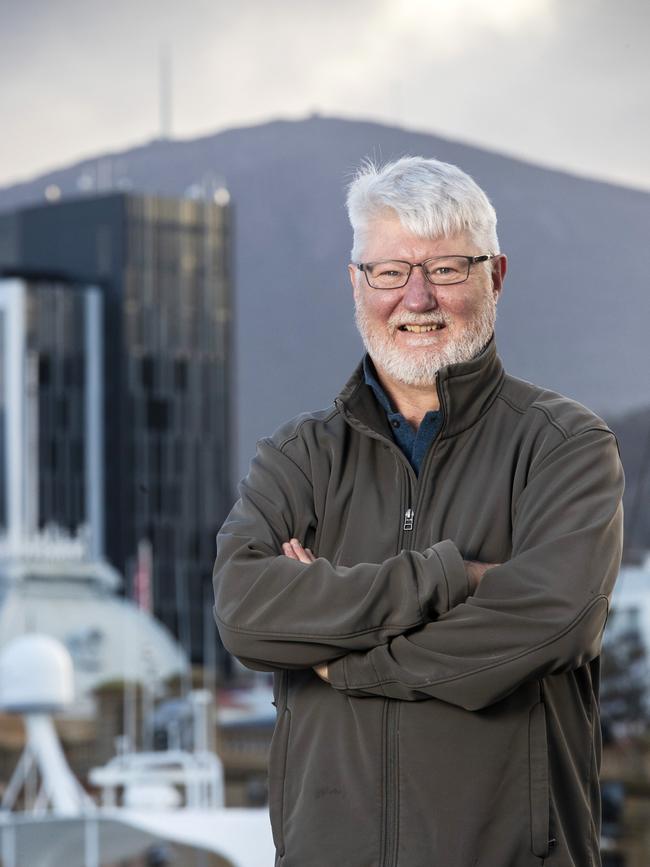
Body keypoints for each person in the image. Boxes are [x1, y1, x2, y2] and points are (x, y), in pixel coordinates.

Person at [213, 156, 624, 867]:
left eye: (447, 268)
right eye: (390, 271)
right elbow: (245, 610)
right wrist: (449, 576)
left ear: (495, 276)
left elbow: (550, 622)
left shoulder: (565, 446)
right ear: (355, 283)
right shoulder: (299, 457)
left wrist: (344, 663)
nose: (417, 297)